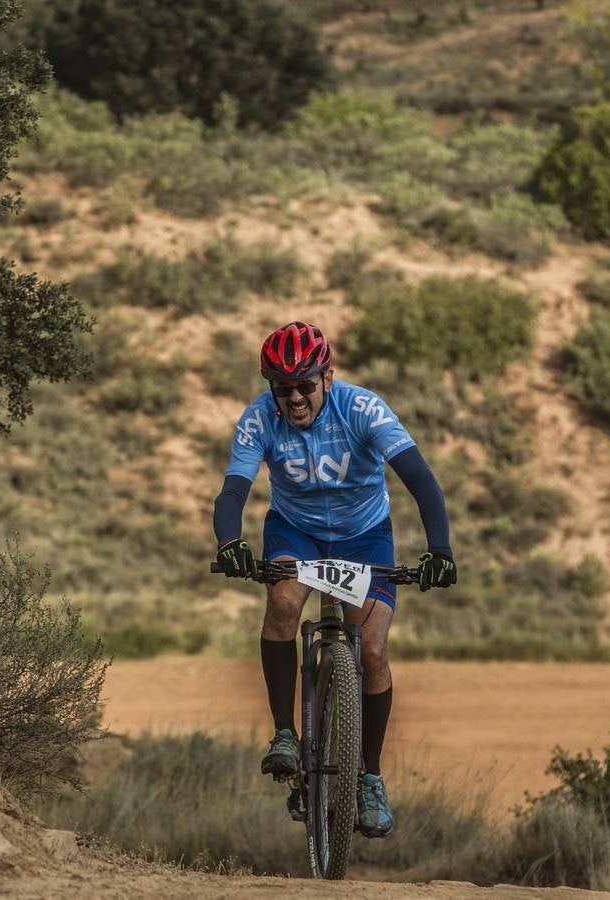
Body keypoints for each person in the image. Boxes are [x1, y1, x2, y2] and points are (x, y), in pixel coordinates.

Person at [212, 321, 457, 839]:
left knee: (371, 650)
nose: (295, 397)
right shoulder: (259, 418)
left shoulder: (363, 409)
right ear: (270, 388)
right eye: (283, 388)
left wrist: (440, 549)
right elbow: (233, 491)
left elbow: (422, 482)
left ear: (328, 376)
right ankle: (285, 734)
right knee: (282, 603)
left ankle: (369, 777)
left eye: (305, 384)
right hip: (295, 532)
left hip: (364, 537)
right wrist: (228, 542)